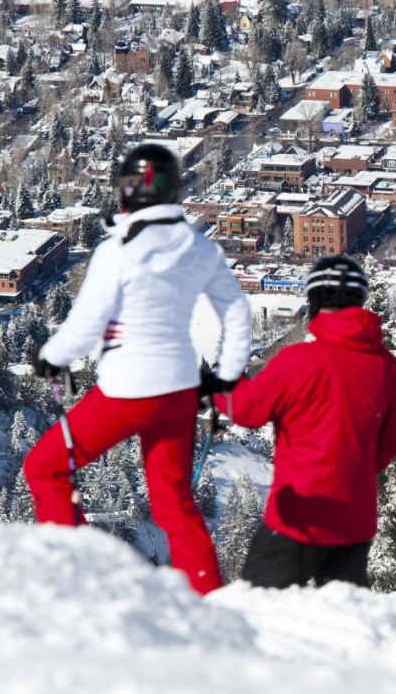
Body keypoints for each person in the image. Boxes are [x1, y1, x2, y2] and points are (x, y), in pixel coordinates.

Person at [24, 143, 252, 596]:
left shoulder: (118, 250)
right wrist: (224, 375)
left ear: (126, 193)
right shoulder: (198, 248)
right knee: (174, 503)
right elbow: (237, 313)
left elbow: (88, 322)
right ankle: (210, 598)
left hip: (126, 390)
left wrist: (53, 358)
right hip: (179, 390)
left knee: (45, 467)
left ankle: (72, 576)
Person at [203, 255, 396, 589]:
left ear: (314, 302)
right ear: (360, 301)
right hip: (354, 521)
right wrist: (358, 467)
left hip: (297, 517)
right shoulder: (389, 370)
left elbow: (247, 411)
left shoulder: (298, 362)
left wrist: (218, 385)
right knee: (341, 622)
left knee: (261, 614)